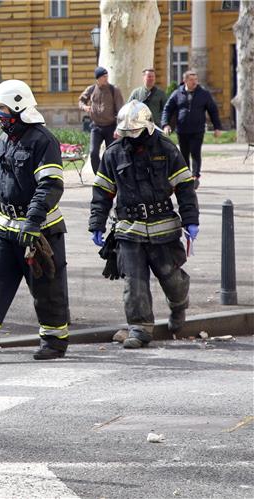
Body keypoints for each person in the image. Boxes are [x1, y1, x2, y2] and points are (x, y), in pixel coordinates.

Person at [90, 100, 198, 348]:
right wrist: (97, 222)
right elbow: (102, 192)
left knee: (172, 279)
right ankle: (139, 329)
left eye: (134, 133)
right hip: (128, 230)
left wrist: (191, 220)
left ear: (148, 127)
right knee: (134, 283)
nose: (131, 138)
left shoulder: (166, 149)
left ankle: (179, 304)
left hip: (163, 229)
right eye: (126, 133)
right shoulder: (114, 153)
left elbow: (184, 186)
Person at [0, 79, 70, 361]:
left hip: (40, 231)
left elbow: (50, 185)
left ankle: (54, 341)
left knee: (47, 288)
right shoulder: (6, 140)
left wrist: (32, 221)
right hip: (4, 227)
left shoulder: (43, 141)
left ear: (19, 108)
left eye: (4, 110)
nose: (0, 116)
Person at [162, 70, 222, 186]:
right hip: (182, 130)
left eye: (196, 80)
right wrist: (165, 124)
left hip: (197, 129)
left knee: (195, 152)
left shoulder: (203, 94)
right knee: (183, 154)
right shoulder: (177, 93)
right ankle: (186, 176)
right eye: (191, 80)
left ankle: (195, 176)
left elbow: (213, 110)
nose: (194, 82)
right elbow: (167, 109)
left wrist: (217, 127)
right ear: (185, 80)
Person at [79, 66, 124, 174]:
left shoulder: (114, 90)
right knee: (93, 152)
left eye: (106, 76)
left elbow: (120, 111)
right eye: (104, 76)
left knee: (111, 153)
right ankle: (99, 176)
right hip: (96, 126)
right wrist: (85, 107)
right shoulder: (91, 89)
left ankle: (112, 176)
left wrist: (118, 128)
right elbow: (81, 101)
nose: (106, 78)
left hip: (111, 127)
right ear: (98, 78)